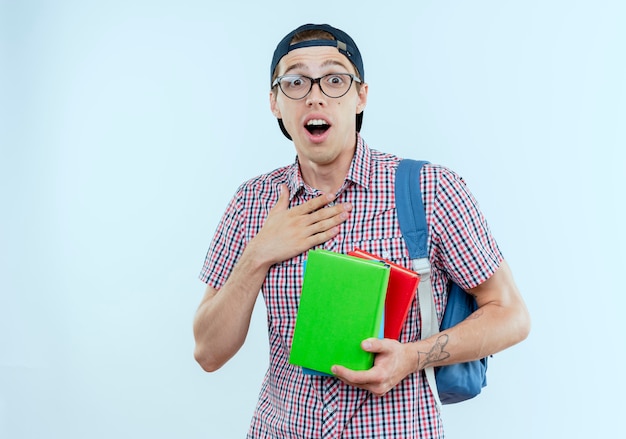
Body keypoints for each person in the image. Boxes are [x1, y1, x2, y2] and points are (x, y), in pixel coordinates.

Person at [193, 23, 530, 438]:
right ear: (275, 103)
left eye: (334, 79)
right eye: (295, 81)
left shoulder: (429, 189)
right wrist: (259, 254)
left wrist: (412, 357)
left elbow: (511, 315)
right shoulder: (252, 202)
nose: (315, 95)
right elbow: (208, 352)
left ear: (360, 96)